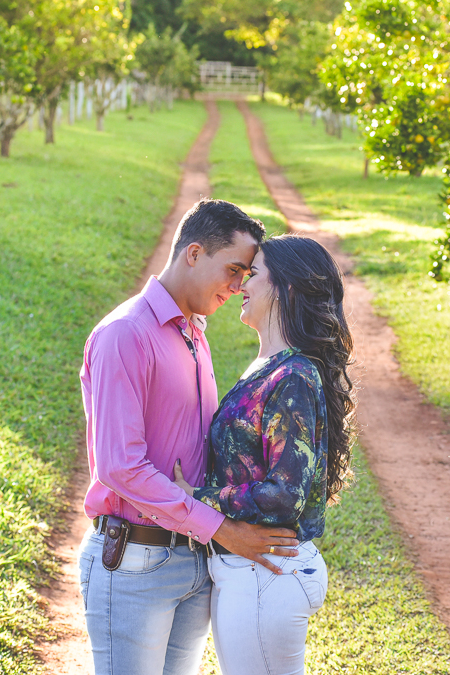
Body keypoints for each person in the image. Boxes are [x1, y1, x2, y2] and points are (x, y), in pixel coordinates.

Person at [78, 199, 301, 675]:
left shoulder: (193, 332)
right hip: (135, 561)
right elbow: (119, 466)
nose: (239, 286)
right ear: (194, 254)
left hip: (194, 562)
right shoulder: (125, 334)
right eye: (234, 270)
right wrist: (221, 528)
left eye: (247, 275)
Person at [174, 234, 356, 675]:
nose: (240, 286)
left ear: (286, 289)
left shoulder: (293, 374)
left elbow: (284, 495)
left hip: (265, 576)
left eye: (252, 275)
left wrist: (198, 497)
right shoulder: (270, 366)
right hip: (254, 573)